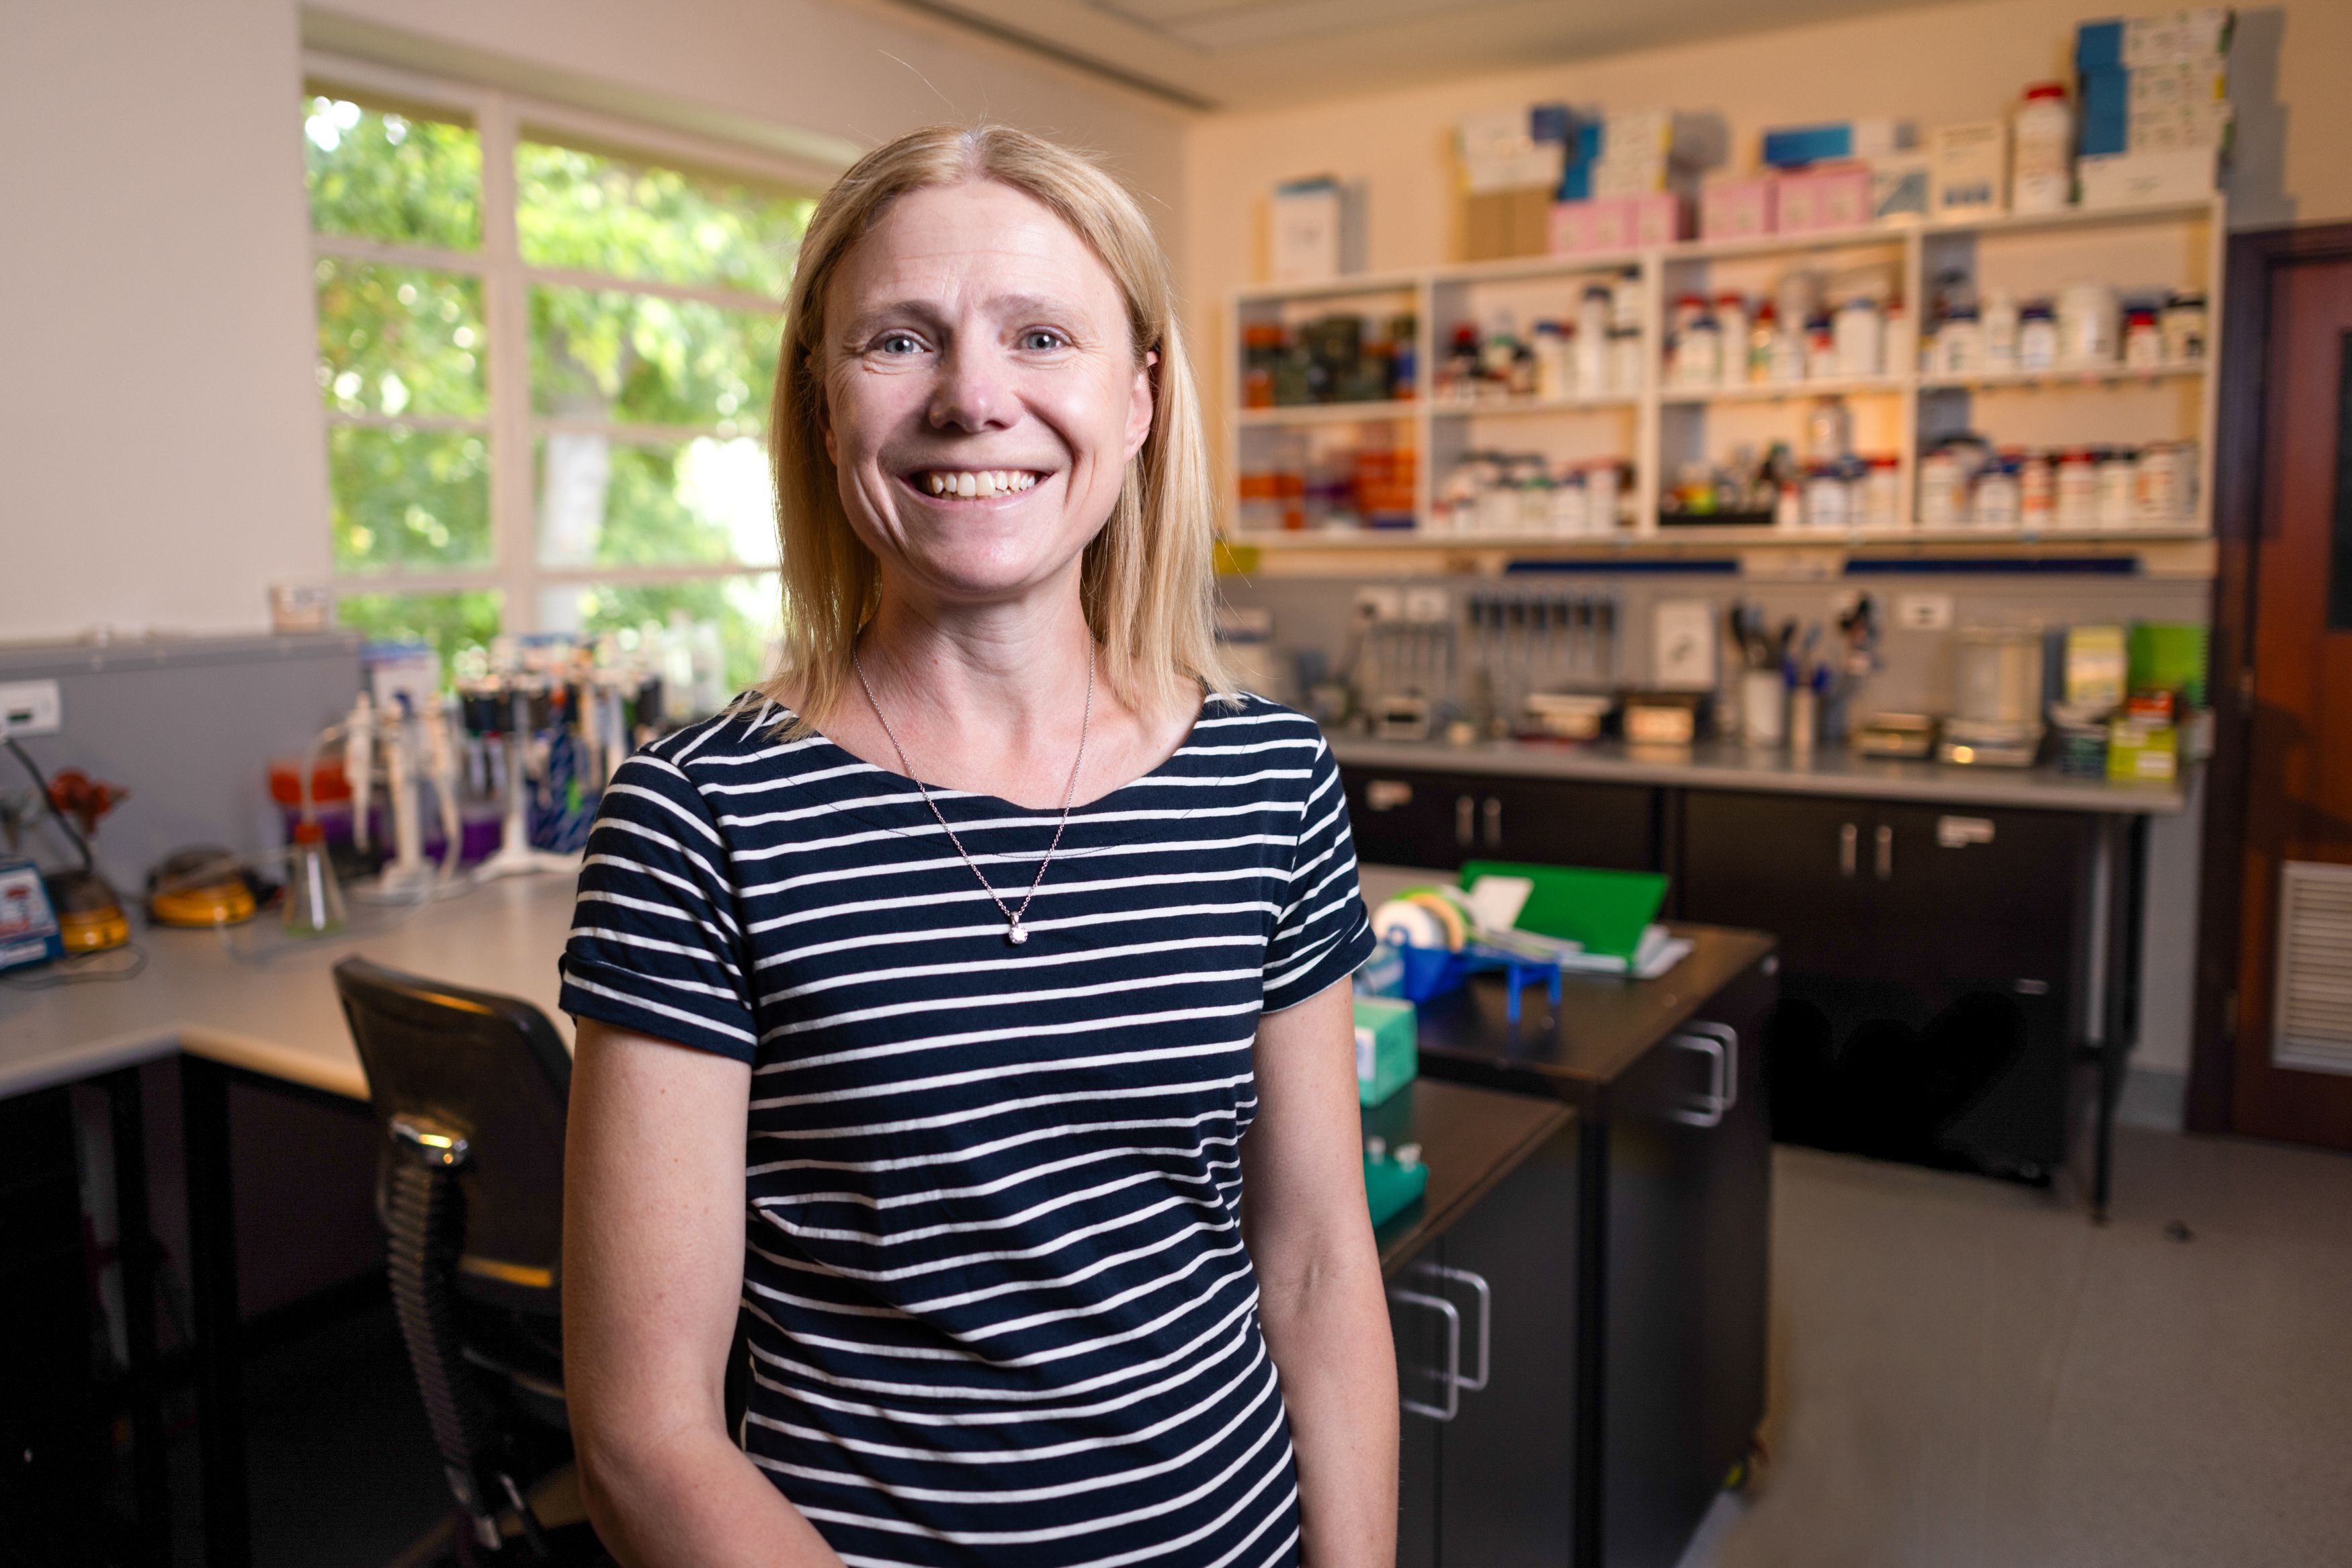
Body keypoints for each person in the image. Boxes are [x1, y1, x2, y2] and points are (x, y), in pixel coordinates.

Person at [558, 123, 1396, 1567]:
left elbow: (1317, 1267)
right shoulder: (700, 816)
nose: (974, 398)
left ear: (1137, 401)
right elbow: (646, 1436)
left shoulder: (1268, 777)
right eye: (899, 341)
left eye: (1041, 335)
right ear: (824, 414)